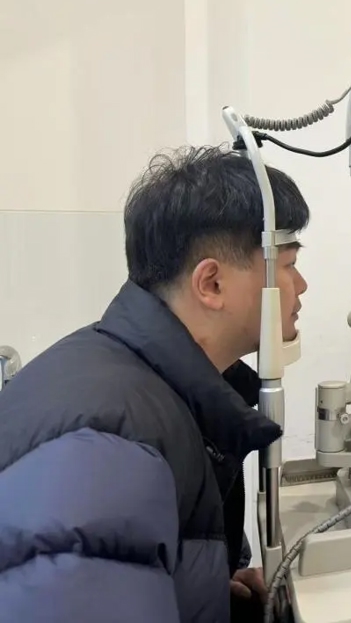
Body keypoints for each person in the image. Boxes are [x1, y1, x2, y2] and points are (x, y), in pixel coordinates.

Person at [0, 145, 309, 622]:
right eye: (287, 265)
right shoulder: (110, 451)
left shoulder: (148, 389)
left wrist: (203, 590)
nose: (301, 285)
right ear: (212, 284)